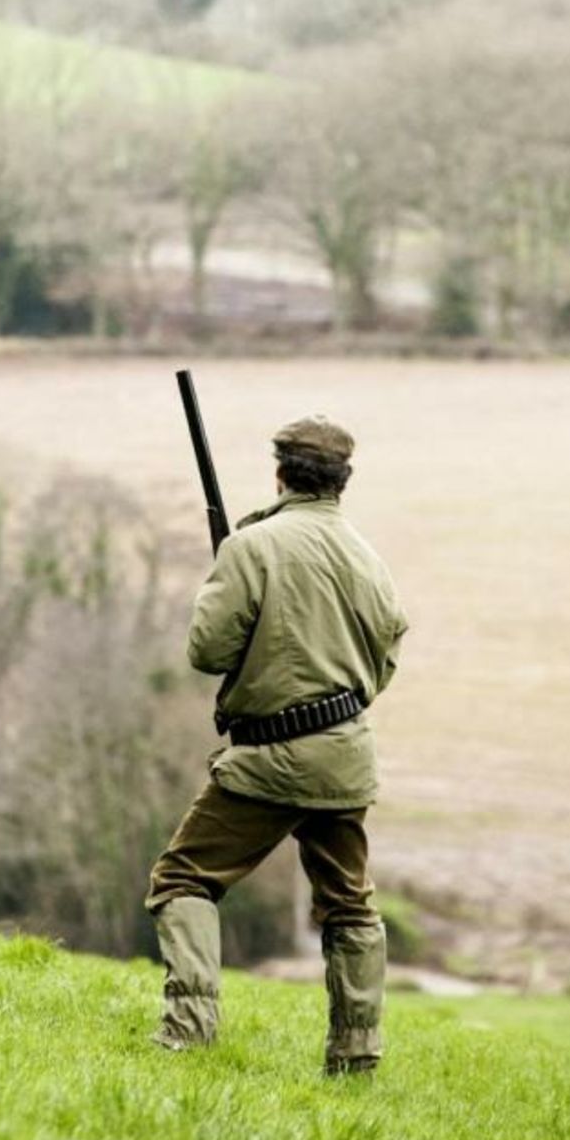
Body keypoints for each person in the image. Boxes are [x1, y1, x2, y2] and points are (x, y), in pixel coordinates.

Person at [145, 413, 408, 1074]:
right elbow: (387, 652)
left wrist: (225, 584)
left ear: (281, 473)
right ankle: (356, 1055)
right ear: (342, 481)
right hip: (346, 754)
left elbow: (208, 651)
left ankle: (189, 1029)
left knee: (183, 879)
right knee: (350, 905)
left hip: (267, 758)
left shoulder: (252, 547)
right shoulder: (367, 556)